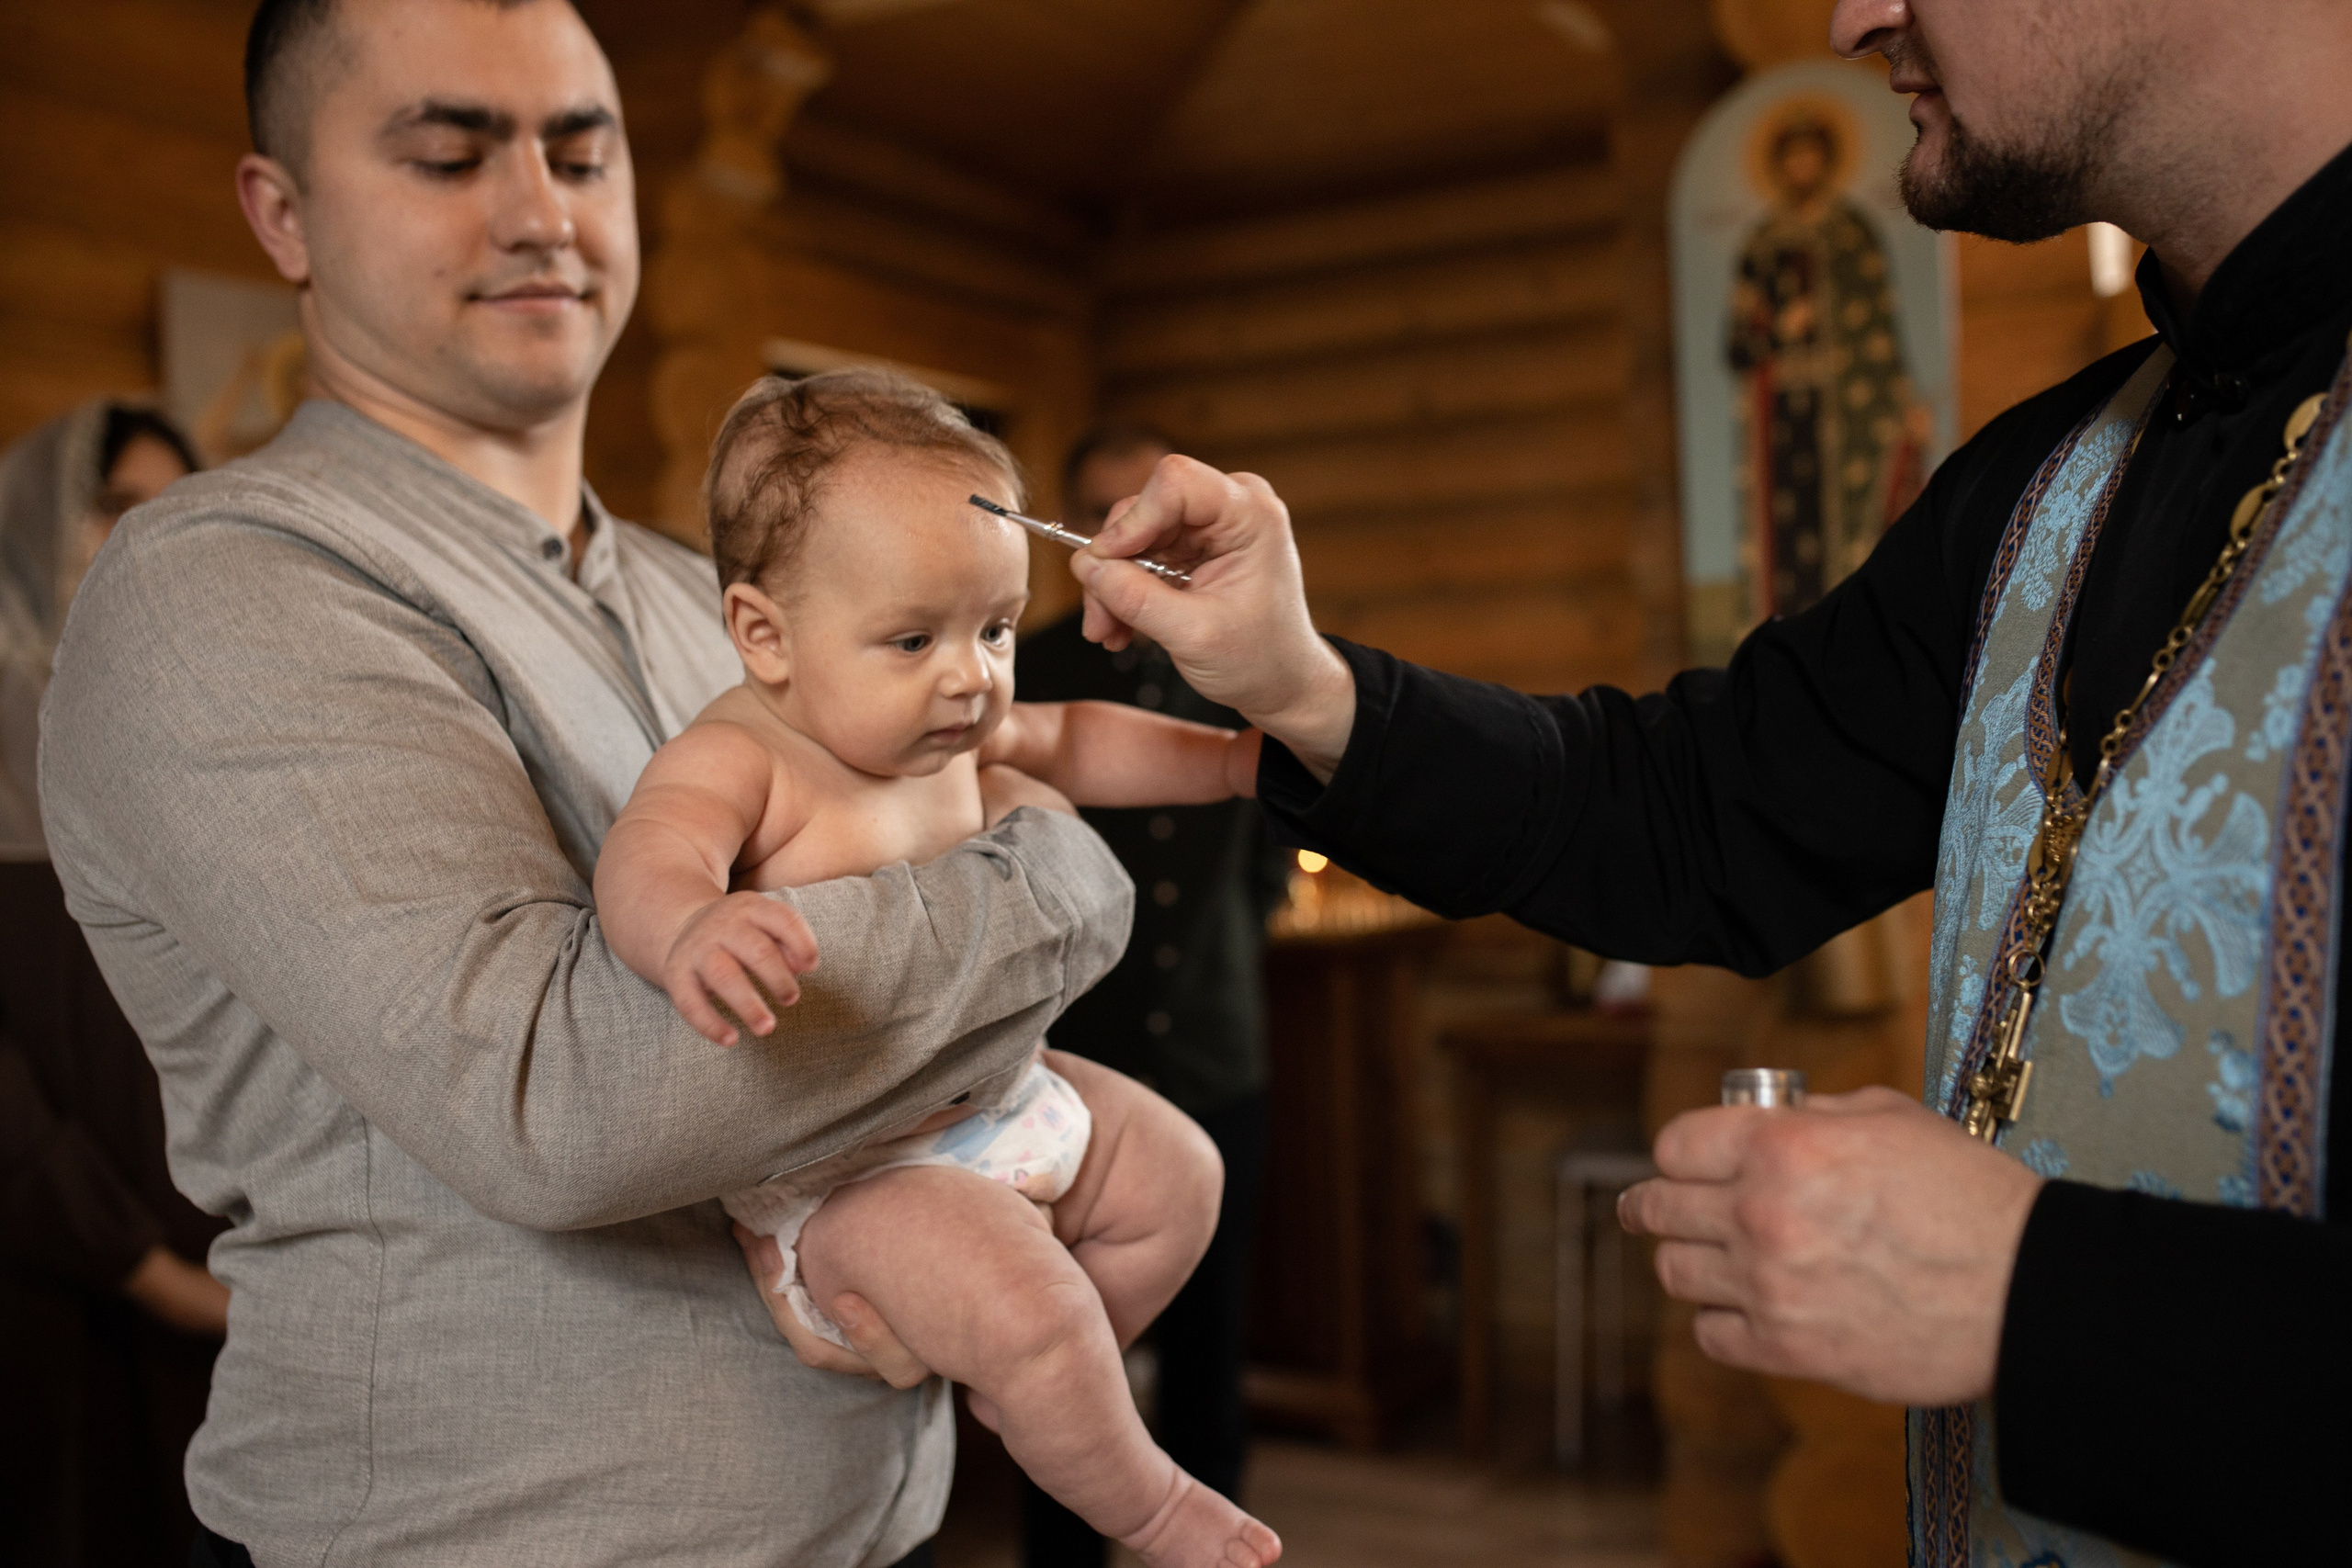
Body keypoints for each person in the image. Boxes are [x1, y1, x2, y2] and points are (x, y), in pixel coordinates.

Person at [1047, 0, 2352, 1561]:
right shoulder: (2047, 479)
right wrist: (1307, 687)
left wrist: (2041, 1298)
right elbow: (1683, 809)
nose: (1851, 15)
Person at [37, 2, 1133, 1564]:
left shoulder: (709, 596)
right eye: (450, 154)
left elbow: (954, 882)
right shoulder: (217, 591)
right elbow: (560, 1097)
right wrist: (1064, 881)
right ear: (282, 214)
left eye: (580, 151)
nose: (541, 211)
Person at [594, 369, 1278, 1568]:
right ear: (764, 633)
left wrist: (1225, 764)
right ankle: (1146, 1500)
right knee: (1036, 1303)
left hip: (1004, 1091)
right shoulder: (745, 753)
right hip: (853, 1168)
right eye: (915, 638)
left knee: (1184, 1176)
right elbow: (648, 855)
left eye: (996, 629)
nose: (971, 675)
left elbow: (1079, 738)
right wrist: (692, 927)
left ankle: (1045, 1385)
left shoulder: (950, 726)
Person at [1013, 423, 1290, 1568]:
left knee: (1211, 1344)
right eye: (1097, 511)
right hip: (1077, 1066)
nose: (1122, 535)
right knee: (1063, 1343)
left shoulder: (1240, 668)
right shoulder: (1029, 669)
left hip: (1219, 1053)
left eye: (1143, 511)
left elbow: (1272, 855)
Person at [0, 400, 223, 1565]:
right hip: (47, 1280)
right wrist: (144, 1270)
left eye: (178, 513)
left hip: (221, 1284)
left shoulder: (202, 738)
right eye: (118, 508)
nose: (148, 543)